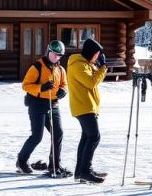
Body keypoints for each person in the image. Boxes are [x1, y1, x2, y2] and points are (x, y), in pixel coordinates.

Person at [17, 40, 71, 177]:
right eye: (54, 54)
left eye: (59, 56)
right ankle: (21, 161)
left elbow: (64, 84)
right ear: (48, 52)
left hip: (53, 104)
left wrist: (63, 91)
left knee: (58, 133)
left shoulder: (60, 69)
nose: (56, 58)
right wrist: (41, 87)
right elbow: (26, 85)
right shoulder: (37, 67)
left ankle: (55, 165)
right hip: (37, 104)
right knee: (37, 136)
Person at [67, 37, 108, 183]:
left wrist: (99, 67)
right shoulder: (78, 65)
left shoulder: (86, 64)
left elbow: (95, 78)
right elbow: (91, 82)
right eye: (97, 54)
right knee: (94, 136)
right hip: (83, 106)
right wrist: (103, 68)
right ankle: (85, 170)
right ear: (90, 53)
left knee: (86, 137)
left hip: (88, 106)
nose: (98, 57)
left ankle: (80, 171)